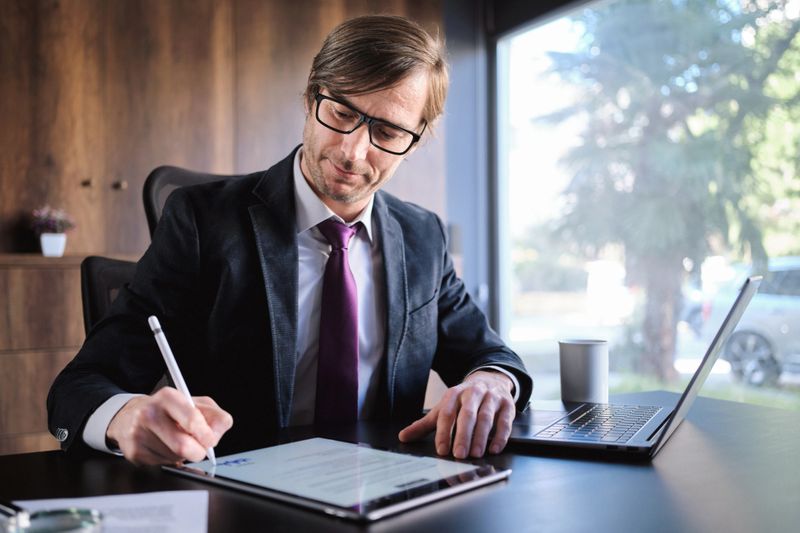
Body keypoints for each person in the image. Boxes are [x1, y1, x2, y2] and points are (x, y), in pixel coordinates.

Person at [47, 14, 532, 466]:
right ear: (310, 97)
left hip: (387, 493)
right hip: (244, 498)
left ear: (417, 139)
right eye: (341, 112)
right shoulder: (201, 220)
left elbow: (489, 355)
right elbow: (80, 386)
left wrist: (491, 381)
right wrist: (125, 415)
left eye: (386, 131)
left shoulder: (423, 235)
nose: (353, 150)